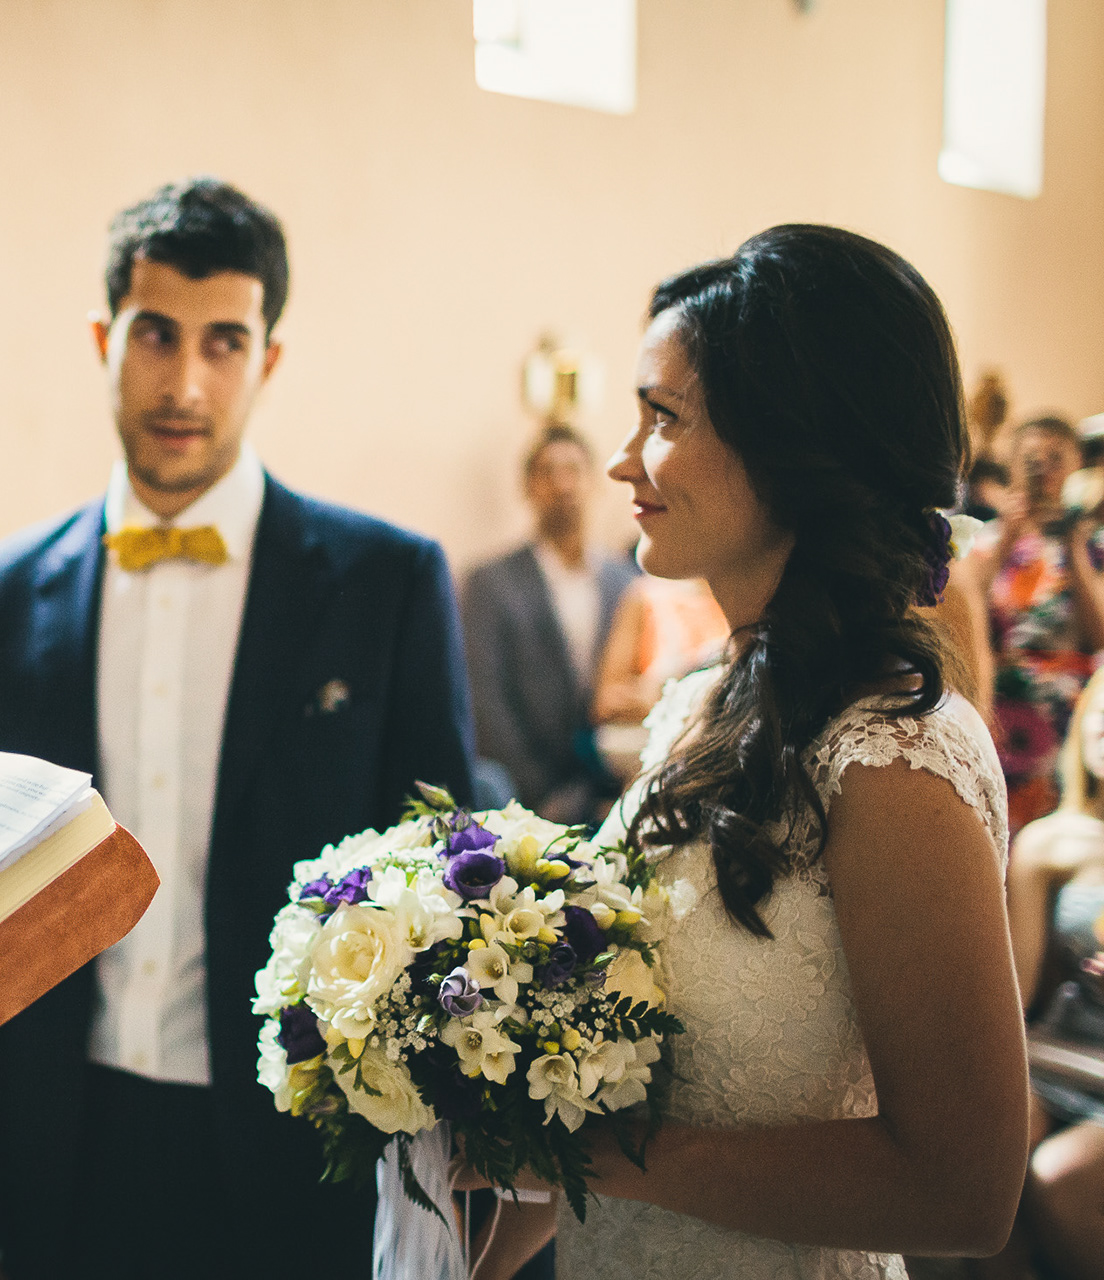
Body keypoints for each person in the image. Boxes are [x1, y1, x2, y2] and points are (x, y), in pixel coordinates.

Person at [0, 177, 476, 1280]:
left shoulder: (386, 584)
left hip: (297, 1160)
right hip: (58, 1154)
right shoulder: (9, 587)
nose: (184, 382)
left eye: (224, 342)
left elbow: (443, 892)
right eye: (155, 335)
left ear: (268, 358)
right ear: (104, 339)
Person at [455, 225, 1027, 1277]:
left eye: (662, 417)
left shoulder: (894, 757)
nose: (625, 459)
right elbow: (612, 1093)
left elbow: (966, 1183)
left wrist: (621, 1154)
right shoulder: (693, 708)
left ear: (788, 448)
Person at [980, 668, 1104, 1280]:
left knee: (1062, 1176)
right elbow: (1019, 993)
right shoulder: (1050, 842)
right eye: (1099, 706)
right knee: (981, 1152)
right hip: (1059, 1054)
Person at [462, 424, 638, 825]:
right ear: (527, 488)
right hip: (526, 797)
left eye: (574, 470)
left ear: (594, 482)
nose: (562, 485)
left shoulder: (624, 581)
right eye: (547, 472)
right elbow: (485, 700)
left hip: (615, 790)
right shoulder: (490, 583)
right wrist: (540, 798)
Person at [965, 415, 1104, 832]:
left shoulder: (1093, 545)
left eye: (1054, 457)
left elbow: (1099, 634)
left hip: (1068, 709)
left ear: (1074, 465)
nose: (1042, 467)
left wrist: (1073, 545)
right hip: (1000, 707)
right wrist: (1008, 536)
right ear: (1012, 464)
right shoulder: (982, 540)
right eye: (1031, 457)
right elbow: (964, 610)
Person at [590, 575, 728, 783]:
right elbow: (607, 702)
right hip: (655, 765)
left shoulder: (735, 599)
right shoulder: (647, 597)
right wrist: (657, 700)